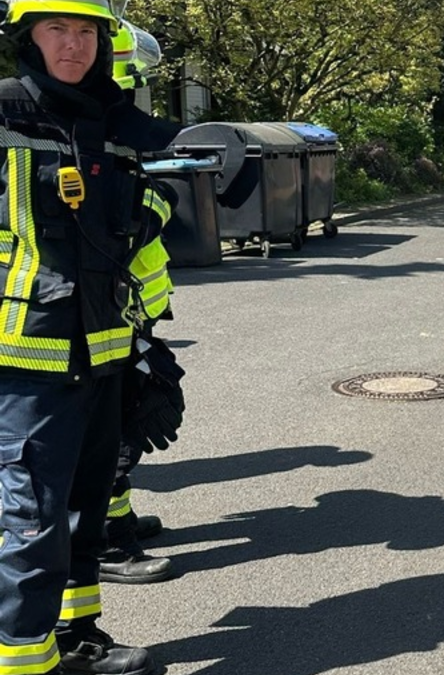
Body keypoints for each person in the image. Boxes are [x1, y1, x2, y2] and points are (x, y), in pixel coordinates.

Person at [0, 1, 183, 674]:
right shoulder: (5, 117)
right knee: (32, 520)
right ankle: (23, 660)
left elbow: (139, 229)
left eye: (85, 31)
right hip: (27, 352)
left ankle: (78, 634)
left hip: (104, 346)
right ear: (29, 37)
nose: (72, 44)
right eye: (57, 29)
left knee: (85, 504)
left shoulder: (111, 126)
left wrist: (145, 350)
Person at [98, 13, 182, 587]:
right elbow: (112, 227)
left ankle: (118, 519)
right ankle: (107, 541)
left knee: (125, 416)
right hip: (95, 311)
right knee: (111, 428)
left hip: (124, 308)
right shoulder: (84, 129)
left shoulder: (109, 128)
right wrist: (155, 206)